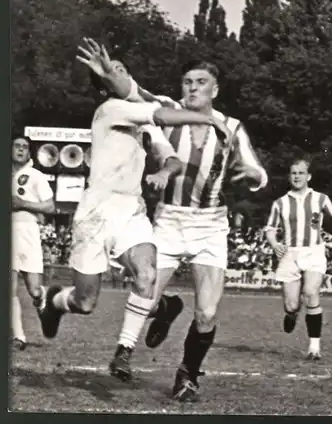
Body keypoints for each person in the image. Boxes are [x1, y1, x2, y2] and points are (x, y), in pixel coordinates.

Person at [39, 39, 231, 383]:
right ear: (106, 87)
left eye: (124, 70)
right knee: (86, 303)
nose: (123, 76)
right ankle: (55, 300)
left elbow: (171, 158)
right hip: (95, 216)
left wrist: (163, 171)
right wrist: (208, 119)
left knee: (146, 274)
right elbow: (161, 112)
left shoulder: (144, 123)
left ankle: (124, 352)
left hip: (131, 212)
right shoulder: (111, 109)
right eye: (115, 73)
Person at [103, 55, 268, 401]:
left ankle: (188, 375)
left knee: (207, 312)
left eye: (201, 82)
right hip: (169, 221)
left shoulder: (232, 127)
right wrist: (111, 73)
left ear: (215, 89)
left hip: (210, 226)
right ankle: (165, 308)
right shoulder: (167, 110)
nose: (193, 88)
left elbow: (258, 171)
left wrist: (252, 175)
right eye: (188, 82)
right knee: (145, 303)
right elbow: (133, 91)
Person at [265, 158, 332, 360]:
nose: (297, 176)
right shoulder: (280, 203)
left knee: (311, 293)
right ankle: (291, 313)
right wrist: (275, 243)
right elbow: (270, 228)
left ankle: (314, 348)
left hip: (314, 251)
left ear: (308, 176)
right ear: (289, 176)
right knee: (291, 304)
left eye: (301, 173)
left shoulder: (320, 199)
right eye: (293, 173)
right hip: (290, 254)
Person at [11, 135, 55, 350]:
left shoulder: (35, 176)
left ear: (29, 153)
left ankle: (43, 305)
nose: (20, 150)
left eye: (24, 147)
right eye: (16, 146)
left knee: (34, 289)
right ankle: (19, 337)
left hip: (27, 232)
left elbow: (49, 207)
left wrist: (22, 203)